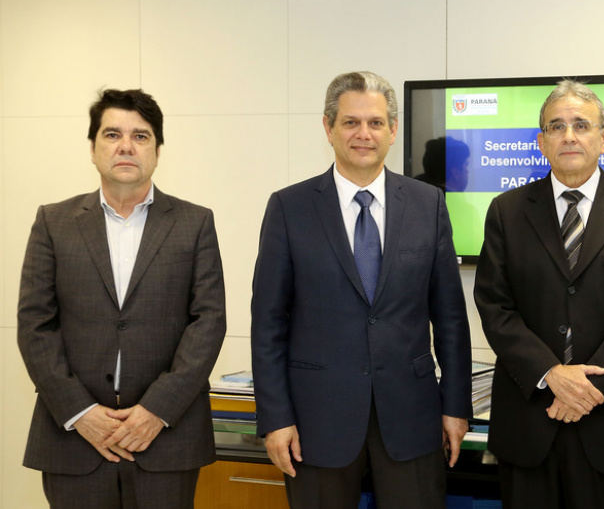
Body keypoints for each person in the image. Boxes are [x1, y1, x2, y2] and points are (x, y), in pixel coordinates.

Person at [251, 71, 473, 509]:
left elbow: (450, 317)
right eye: (350, 122)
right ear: (328, 127)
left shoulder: (428, 204)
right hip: (316, 422)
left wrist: (455, 406)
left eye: (375, 123)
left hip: (412, 418)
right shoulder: (289, 208)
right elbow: (268, 324)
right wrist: (275, 418)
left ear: (393, 130)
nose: (363, 134)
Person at [17, 88, 227, 508]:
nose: (126, 146)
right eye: (112, 134)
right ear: (93, 148)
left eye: (141, 136)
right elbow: (35, 325)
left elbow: (208, 322)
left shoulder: (195, 223)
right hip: (73, 439)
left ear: (157, 150)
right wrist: (81, 413)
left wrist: (156, 410)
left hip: (166, 438)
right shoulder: (54, 222)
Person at [474, 79, 604, 508]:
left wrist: (584, 387)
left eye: (581, 125)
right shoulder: (506, 211)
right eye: (556, 126)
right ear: (541, 142)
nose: (568, 136)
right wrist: (551, 373)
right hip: (529, 422)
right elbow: (494, 306)